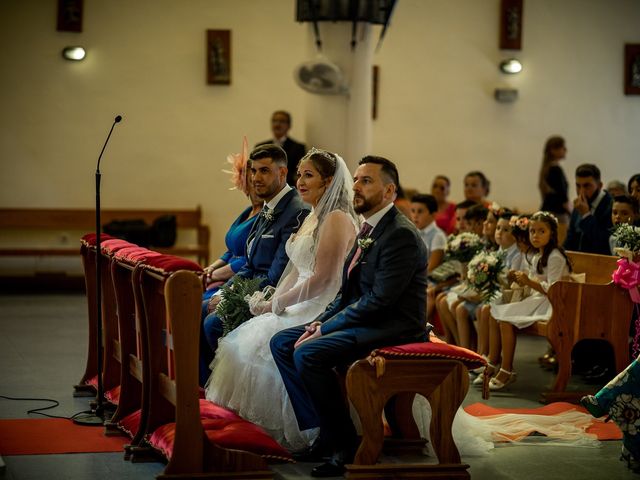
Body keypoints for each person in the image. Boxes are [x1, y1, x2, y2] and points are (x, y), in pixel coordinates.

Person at [270, 156, 430, 477]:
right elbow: (346, 291)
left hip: (395, 327)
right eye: (356, 179)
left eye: (366, 181)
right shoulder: (370, 227)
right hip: (370, 319)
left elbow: (380, 301)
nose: (356, 186)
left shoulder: (400, 235)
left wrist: (326, 328)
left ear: (389, 191)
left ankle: (343, 444)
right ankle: (323, 432)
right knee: (282, 342)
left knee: (309, 353)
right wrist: (319, 322)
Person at [204, 148, 358, 450]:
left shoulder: (336, 218)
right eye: (299, 174)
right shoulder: (312, 216)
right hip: (297, 298)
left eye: (308, 175)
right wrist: (270, 297)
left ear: (328, 182)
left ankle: (313, 430)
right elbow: (294, 268)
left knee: (269, 345)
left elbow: (324, 279)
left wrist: (278, 304)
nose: (300, 181)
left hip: (319, 304)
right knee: (240, 344)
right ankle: (257, 428)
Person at [199, 144, 310, 385]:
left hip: (272, 295)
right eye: (253, 171)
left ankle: (217, 388)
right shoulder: (267, 208)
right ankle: (199, 391)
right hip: (251, 287)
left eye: (264, 171)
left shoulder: (296, 212)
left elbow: (276, 275)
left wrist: (230, 300)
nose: (256, 178)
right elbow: (249, 265)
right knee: (198, 308)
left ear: (282, 173)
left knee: (213, 323)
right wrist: (224, 291)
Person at [488, 211, 571, 390]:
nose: (535, 235)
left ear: (552, 234)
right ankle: (502, 365)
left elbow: (555, 290)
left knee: (504, 319)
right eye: (532, 231)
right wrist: (519, 279)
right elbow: (534, 281)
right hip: (539, 299)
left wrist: (528, 281)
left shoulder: (555, 256)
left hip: (555, 304)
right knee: (500, 314)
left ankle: (506, 369)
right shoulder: (537, 256)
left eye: (541, 231)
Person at [201, 139, 262, 313]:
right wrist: (211, 268)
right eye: (251, 181)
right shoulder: (247, 212)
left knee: (198, 304)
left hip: (239, 278)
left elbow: (247, 260)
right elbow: (230, 251)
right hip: (223, 274)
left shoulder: (265, 216)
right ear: (244, 185)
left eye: (259, 181)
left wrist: (211, 276)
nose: (256, 185)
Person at [563, 163, 613, 255]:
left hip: (601, 263)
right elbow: (570, 239)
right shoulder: (579, 204)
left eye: (587, 186)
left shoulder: (611, 206)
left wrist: (586, 215)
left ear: (600, 185)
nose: (581, 191)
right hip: (577, 263)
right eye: (578, 186)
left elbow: (603, 243)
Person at [256, 111, 306, 186]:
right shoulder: (260, 147)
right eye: (274, 121)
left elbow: (299, 174)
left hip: (288, 191)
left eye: (282, 121)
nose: (277, 124)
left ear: (289, 126)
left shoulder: (298, 148)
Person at [410, 193, 446, 273]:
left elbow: (431, 269)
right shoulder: (412, 233)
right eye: (413, 211)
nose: (415, 215)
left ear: (433, 215)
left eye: (420, 211)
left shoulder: (438, 236)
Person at [538, 136, 570, 224]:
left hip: (547, 213)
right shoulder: (555, 170)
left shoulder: (548, 169)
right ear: (553, 150)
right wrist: (573, 214)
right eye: (563, 147)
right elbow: (563, 198)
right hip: (558, 215)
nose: (565, 150)